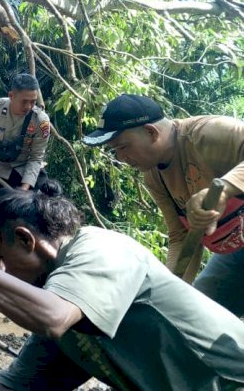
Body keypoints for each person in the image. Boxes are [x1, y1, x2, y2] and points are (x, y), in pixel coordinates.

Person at [0, 183, 244, 391]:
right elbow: (12, 389)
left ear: (26, 239)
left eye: (1, 257)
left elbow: (51, 316)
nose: (3, 269)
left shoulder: (101, 249)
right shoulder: (61, 301)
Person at [82, 94, 244, 316]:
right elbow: (181, 236)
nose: (120, 158)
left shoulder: (208, 134)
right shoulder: (154, 176)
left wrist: (225, 188)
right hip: (235, 253)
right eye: (115, 151)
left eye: (123, 147)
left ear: (151, 132)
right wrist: (168, 293)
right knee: (197, 318)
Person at [0, 74, 50, 197]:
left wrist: (24, 189)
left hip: (25, 171)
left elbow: (36, 157)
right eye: (24, 102)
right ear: (11, 96)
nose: (28, 106)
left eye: (33, 102)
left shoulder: (40, 121)